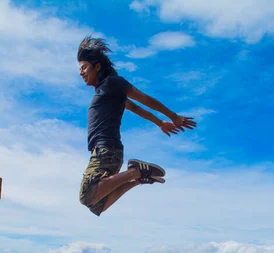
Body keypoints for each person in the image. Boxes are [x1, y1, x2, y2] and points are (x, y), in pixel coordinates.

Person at [78, 36, 197, 216]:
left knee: (87, 196)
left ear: (97, 66)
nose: (81, 72)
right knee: (97, 205)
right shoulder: (106, 90)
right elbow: (133, 107)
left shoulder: (113, 82)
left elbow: (143, 98)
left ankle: (134, 172)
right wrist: (159, 122)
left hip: (106, 150)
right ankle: (139, 177)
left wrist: (173, 116)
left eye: (84, 67)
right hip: (107, 152)